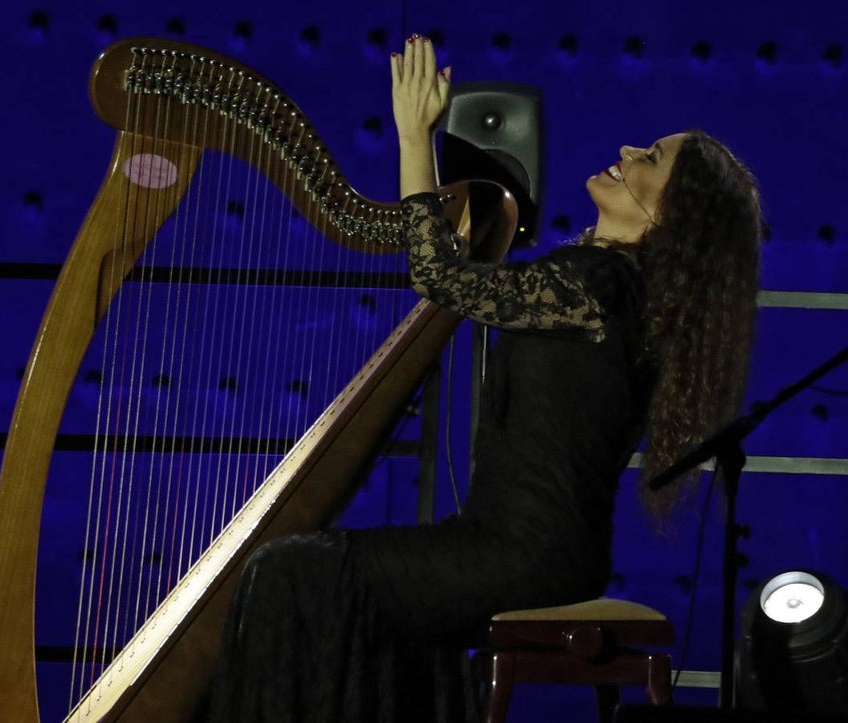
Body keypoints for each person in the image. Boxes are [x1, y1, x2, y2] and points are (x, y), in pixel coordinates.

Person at [206, 35, 762, 723]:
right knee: (312, 572)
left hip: (520, 554)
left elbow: (439, 276)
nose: (626, 154)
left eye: (649, 159)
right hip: (540, 551)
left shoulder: (597, 286)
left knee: (289, 572)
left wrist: (415, 136)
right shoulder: (614, 290)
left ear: (669, 216)